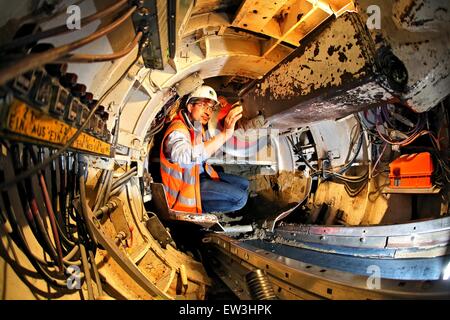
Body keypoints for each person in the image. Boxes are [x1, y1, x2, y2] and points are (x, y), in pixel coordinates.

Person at [160, 85, 249, 214]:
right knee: (241, 199)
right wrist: (225, 134)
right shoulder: (177, 131)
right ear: (190, 106)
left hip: (200, 174)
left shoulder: (195, 125)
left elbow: (208, 141)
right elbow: (184, 157)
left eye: (211, 108)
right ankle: (202, 207)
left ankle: (207, 200)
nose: (208, 112)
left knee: (244, 184)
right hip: (187, 186)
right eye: (203, 106)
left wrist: (223, 108)